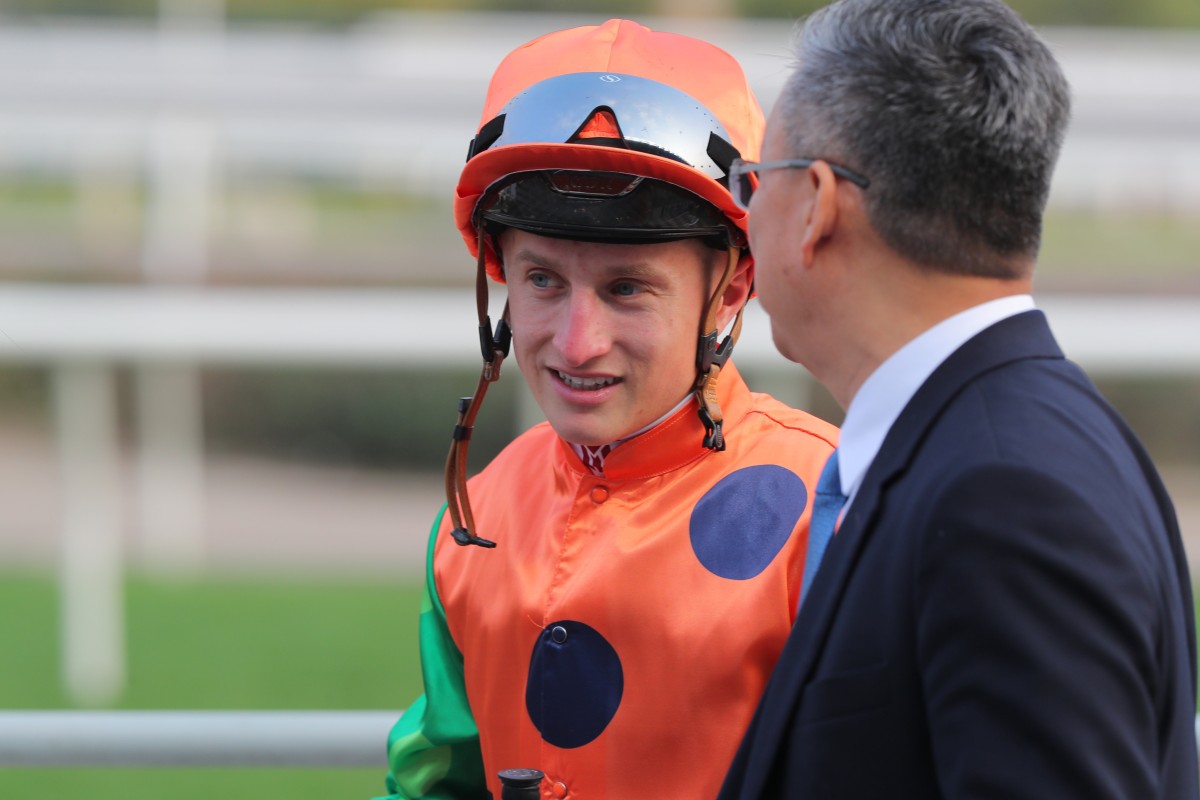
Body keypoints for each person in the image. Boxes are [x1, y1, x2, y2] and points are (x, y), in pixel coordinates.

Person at [718, 0, 1199, 797]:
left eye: (752, 182)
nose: (746, 211)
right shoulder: (1015, 441)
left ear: (816, 206)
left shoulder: (1004, 497)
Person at [376, 19, 839, 800]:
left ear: (729, 289)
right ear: (501, 281)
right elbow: (434, 784)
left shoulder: (834, 507)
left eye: (627, 289)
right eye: (543, 281)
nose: (577, 342)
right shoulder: (475, 514)